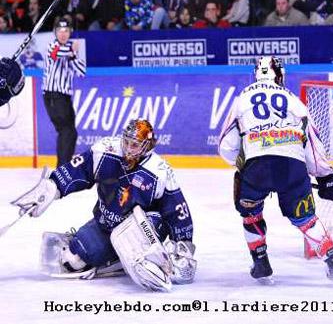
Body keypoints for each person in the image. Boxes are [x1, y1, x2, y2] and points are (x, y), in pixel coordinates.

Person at [12, 119, 197, 292]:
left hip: (145, 227)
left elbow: (177, 210)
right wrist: (52, 186)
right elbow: (79, 168)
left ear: (147, 146)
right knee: (74, 260)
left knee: (144, 225)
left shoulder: (159, 172)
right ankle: (117, 259)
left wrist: (184, 246)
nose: (128, 149)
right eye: (126, 142)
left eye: (134, 145)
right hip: (106, 225)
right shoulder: (106, 151)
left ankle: (142, 254)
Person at [218, 56, 333, 284]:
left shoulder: (242, 99)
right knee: (306, 218)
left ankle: (261, 263)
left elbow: (226, 147)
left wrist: (243, 166)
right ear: (279, 76)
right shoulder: (294, 101)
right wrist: (326, 176)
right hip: (291, 166)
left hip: (257, 168)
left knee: (251, 215)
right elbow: (313, 145)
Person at [42, 18, 86, 167]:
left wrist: (73, 54)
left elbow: (81, 72)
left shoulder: (71, 48)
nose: (62, 34)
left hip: (65, 96)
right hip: (53, 95)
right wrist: (72, 51)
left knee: (71, 132)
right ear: (55, 32)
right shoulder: (52, 46)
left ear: (70, 32)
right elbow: (56, 54)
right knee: (66, 130)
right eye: (59, 31)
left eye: (66, 31)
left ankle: (66, 167)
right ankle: (62, 168)